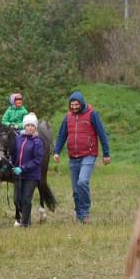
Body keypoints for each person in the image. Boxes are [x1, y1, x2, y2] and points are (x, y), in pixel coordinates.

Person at [53, 91, 111, 224]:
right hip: (73, 156)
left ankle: (85, 213)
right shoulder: (67, 117)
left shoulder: (92, 114)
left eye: (76, 104)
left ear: (81, 103)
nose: (74, 107)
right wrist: (56, 151)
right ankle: (80, 216)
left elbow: (102, 134)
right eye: (72, 105)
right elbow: (62, 136)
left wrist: (106, 154)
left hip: (89, 155)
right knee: (75, 190)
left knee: (82, 182)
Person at [11, 113, 44, 227]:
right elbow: (14, 155)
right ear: (24, 126)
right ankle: (26, 219)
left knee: (26, 199)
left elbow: (38, 160)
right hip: (18, 175)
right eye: (28, 125)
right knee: (17, 199)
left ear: (35, 127)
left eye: (32, 125)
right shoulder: (18, 139)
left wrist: (23, 168)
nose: (30, 127)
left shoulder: (37, 141)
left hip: (31, 175)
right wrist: (8, 165)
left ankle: (25, 224)